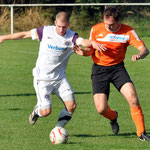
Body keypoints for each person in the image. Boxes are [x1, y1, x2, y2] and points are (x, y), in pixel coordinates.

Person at [0, 11, 101, 129]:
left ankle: (58, 130)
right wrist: (3, 37)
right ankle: (37, 111)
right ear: (55, 23)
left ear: (68, 24)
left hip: (60, 78)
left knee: (71, 106)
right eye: (58, 26)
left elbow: (83, 42)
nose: (61, 30)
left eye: (64, 27)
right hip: (42, 79)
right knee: (46, 112)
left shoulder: (71, 36)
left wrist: (92, 42)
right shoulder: (45, 31)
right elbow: (24, 34)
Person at [73, 6, 150, 141]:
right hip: (99, 70)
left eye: (111, 25)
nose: (108, 27)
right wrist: (83, 52)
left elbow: (144, 49)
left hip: (118, 69)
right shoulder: (96, 29)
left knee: (132, 97)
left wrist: (140, 55)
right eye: (106, 23)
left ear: (119, 20)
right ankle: (113, 116)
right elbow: (90, 50)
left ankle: (141, 133)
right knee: (101, 109)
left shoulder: (128, 31)